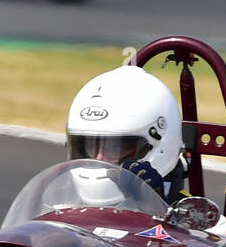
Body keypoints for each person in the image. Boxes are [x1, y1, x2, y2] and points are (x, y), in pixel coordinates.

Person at [65, 65, 187, 201]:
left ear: (157, 144)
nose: (98, 159)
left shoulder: (189, 214)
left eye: (114, 148)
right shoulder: (58, 200)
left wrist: (155, 203)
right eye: (91, 145)